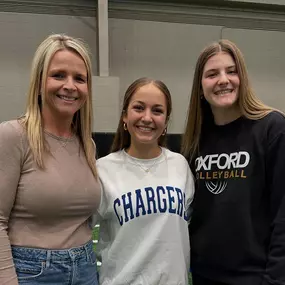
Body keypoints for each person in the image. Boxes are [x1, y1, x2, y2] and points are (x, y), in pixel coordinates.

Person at [182, 39, 285, 285]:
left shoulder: (272, 128)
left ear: (243, 78)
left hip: (256, 277)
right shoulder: (195, 142)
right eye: (212, 74)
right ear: (200, 87)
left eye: (231, 71)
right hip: (204, 275)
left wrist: (275, 279)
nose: (223, 80)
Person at [0, 34, 101, 284]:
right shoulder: (13, 136)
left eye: (79, 78)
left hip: (86, 267)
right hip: (31, 272)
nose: (70, 86)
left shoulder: (87, 144)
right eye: (58, 75)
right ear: (39, 81)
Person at [96, 77, 195, 285]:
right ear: (125, 115)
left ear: (166, 121)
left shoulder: (180, 166)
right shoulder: (103, 169)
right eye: (139, 108)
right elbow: (79, 232)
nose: (147, 118)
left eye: (157, 111)